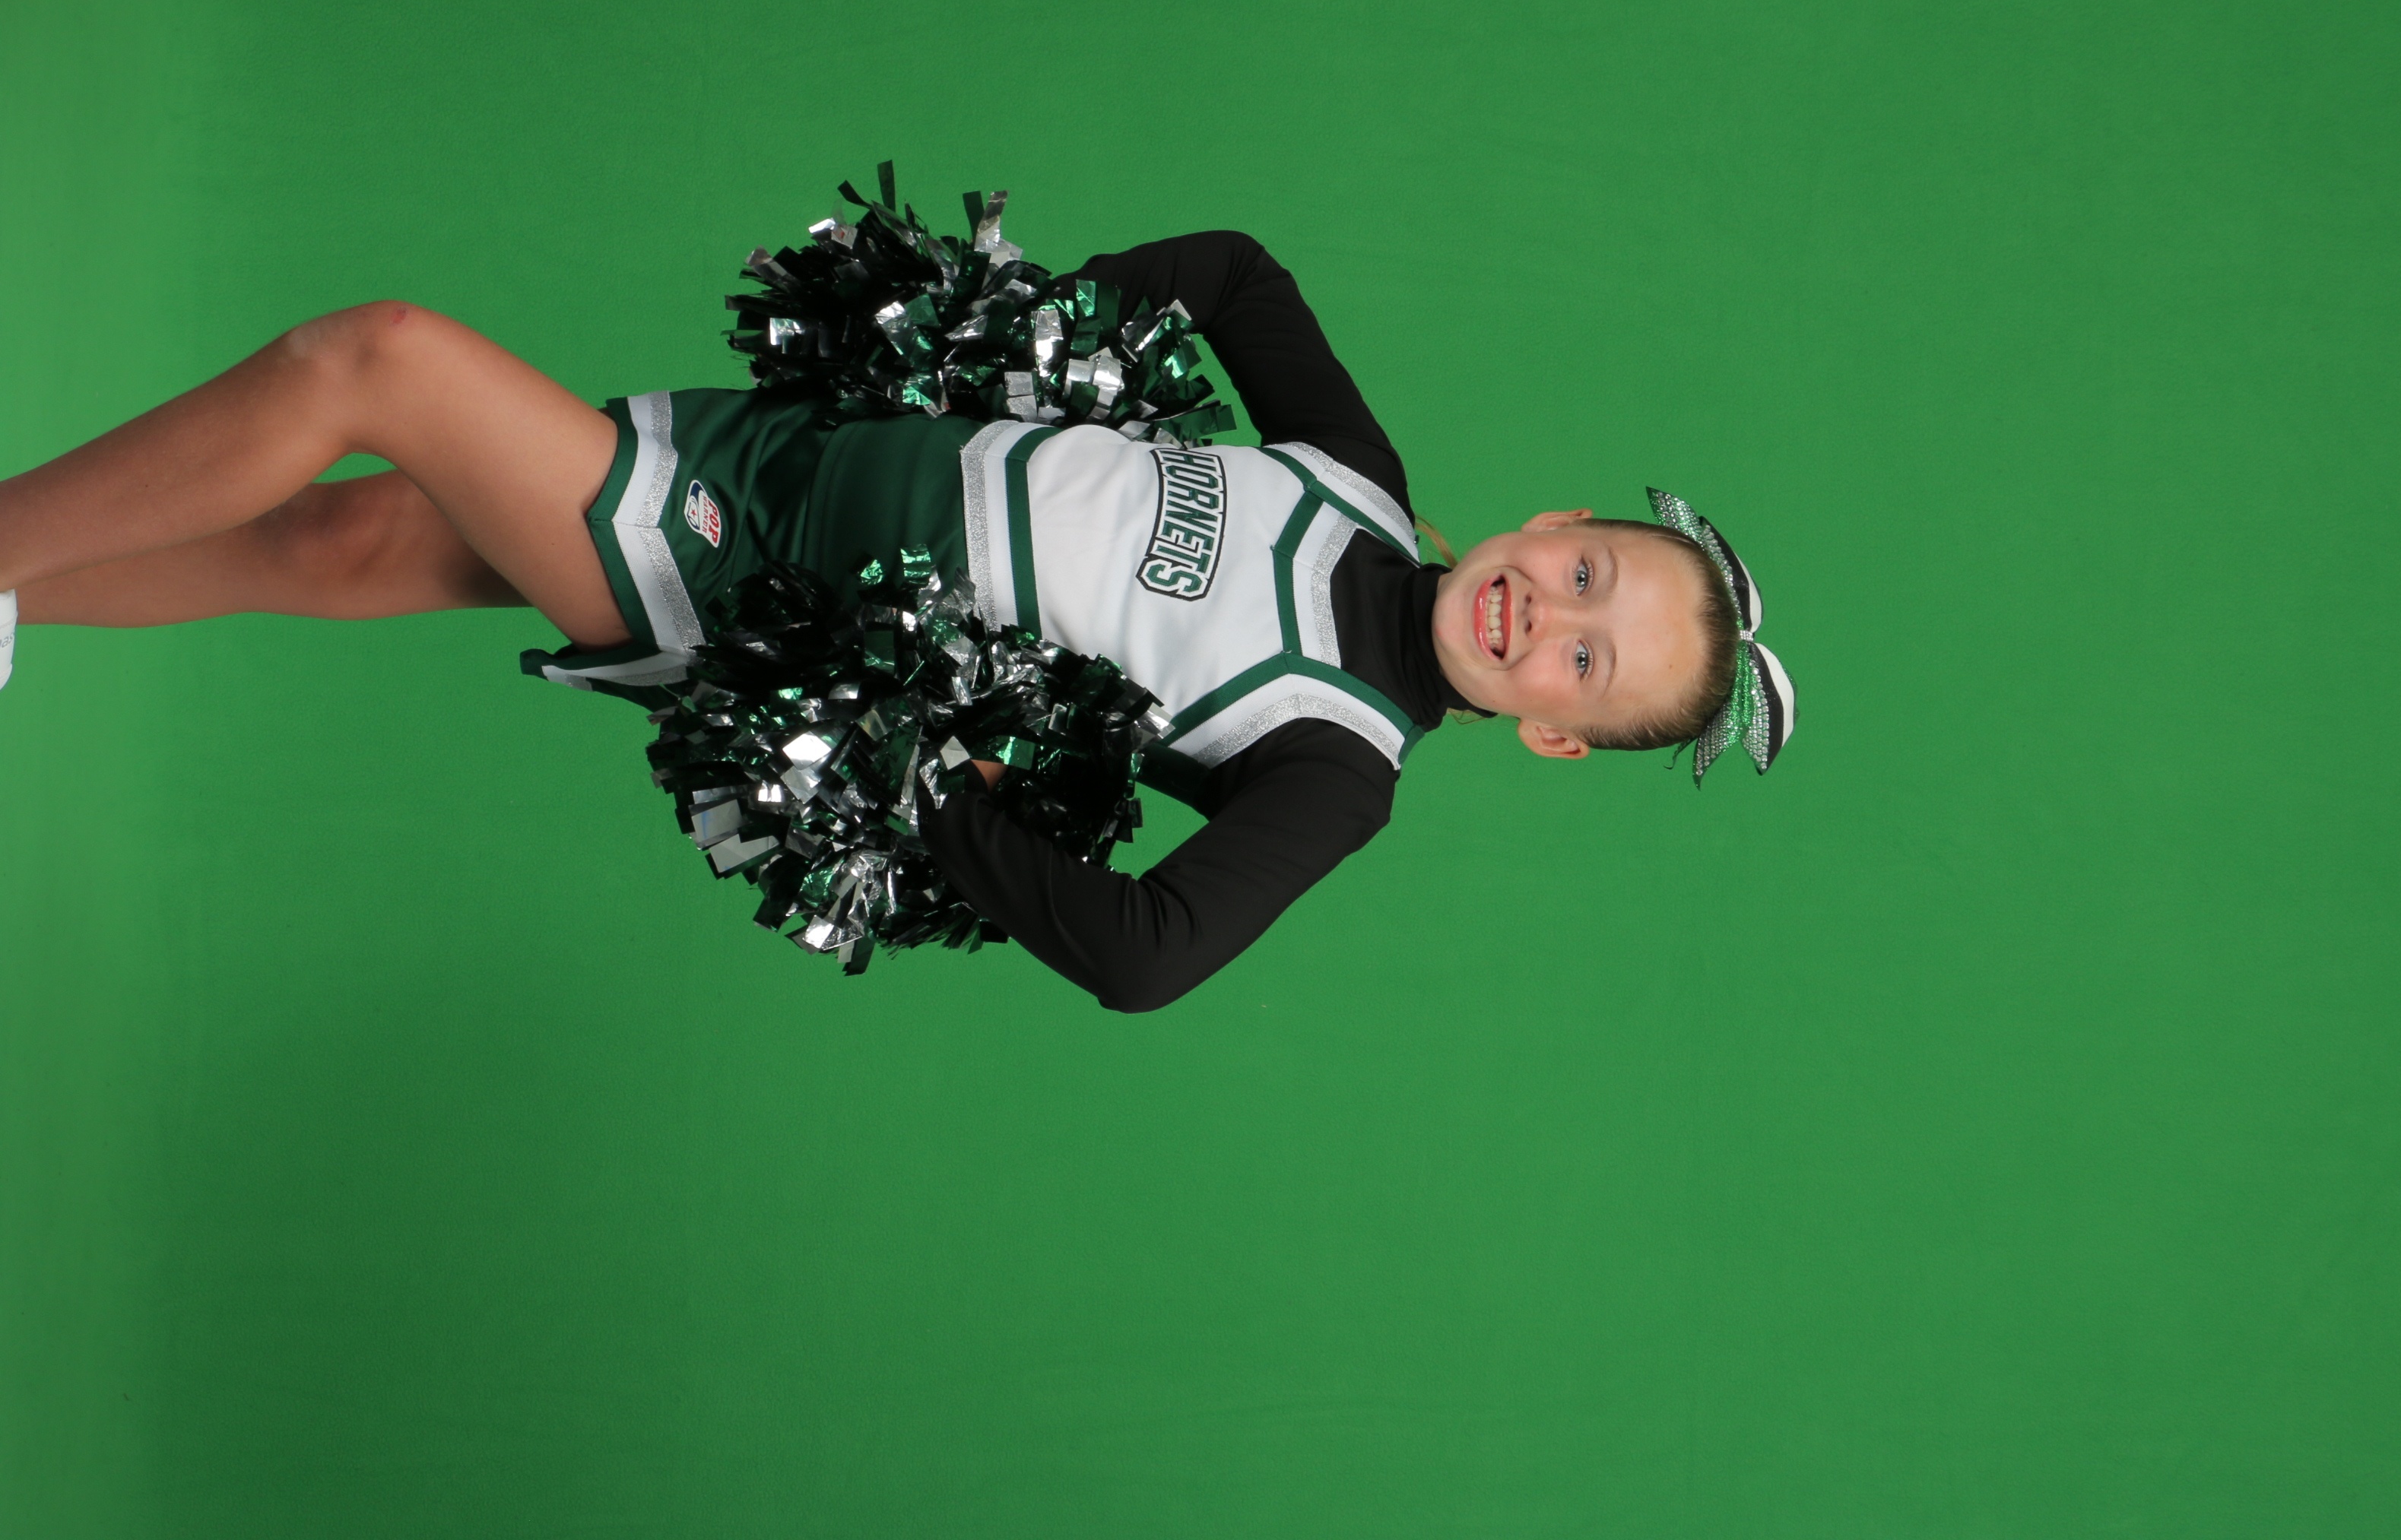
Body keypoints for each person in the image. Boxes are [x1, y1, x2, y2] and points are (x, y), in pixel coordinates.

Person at [0, 225, 1793, 1009]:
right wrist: (1019, 340)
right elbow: (1238, 273)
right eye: (1586, 574)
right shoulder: (1356, 478)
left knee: (378, 361)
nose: (1546, 616)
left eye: (1585, 663)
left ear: (1552, 732)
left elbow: (1148, 951)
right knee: (357, 543)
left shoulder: (1339, 762)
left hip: (753, 575)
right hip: (789, 450)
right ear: (1552, 523)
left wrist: (912, 772)